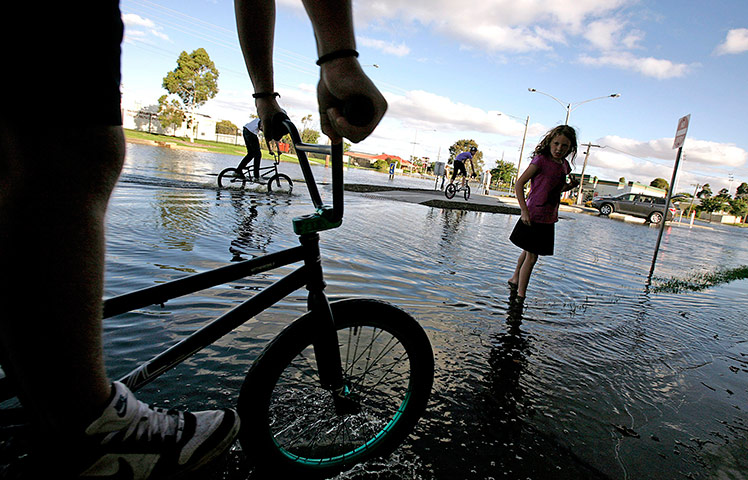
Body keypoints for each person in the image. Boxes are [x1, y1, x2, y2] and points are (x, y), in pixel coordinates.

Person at [0, 1, 386, 478]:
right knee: (72, 151)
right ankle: (88, 426)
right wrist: (339, 58)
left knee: (17, 155)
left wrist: (266, 98)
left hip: (264, 117)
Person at [507, 125, 580, 307]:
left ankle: (515, 278)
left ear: (570, 148)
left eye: (564, 146)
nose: (559, 149)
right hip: (534, 214)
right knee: (532, 257)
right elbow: (520, 184)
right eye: (556, 144)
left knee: (527, 252)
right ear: (549, 142)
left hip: (549, 215)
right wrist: (524, 210)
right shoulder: (540, 160)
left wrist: (570, 186)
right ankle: (521, 297)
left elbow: (554, 189)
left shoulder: (564, 166)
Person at [236, 117, 263, 181]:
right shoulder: (267, 120)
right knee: (258, 154)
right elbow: (264, 130)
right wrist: (270, 150)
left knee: (251, 154)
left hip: (246, 130)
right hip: (250, 133)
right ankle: (256, 177)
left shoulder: (263, 117)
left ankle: (238, 170)